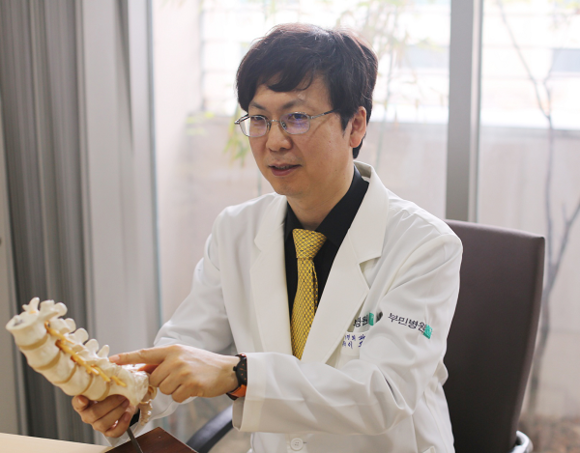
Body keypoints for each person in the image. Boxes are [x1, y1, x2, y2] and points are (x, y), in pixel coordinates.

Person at [73, 23, 462, 453]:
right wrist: (133, 392)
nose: (274, 141)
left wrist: (239, 375)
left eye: (297, 118)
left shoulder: (425, 246)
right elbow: (188, 342)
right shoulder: (235, 231)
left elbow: (384, 393)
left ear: (355, 126)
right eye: (259, 119)